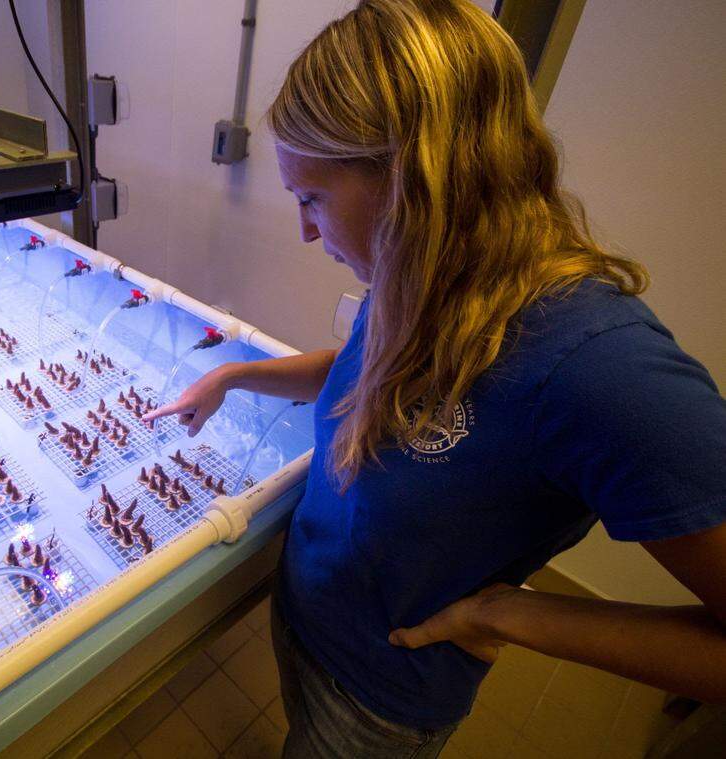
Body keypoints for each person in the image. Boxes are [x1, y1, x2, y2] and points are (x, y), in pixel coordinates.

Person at [143, 1, 726, 756]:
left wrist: (511, 616)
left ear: (415, 180)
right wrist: (236, 377)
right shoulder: (420, 269)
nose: (305, 231)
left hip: (382, 700)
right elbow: (360, 375)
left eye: (311, 197)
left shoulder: (600, 364)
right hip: (308, 623)